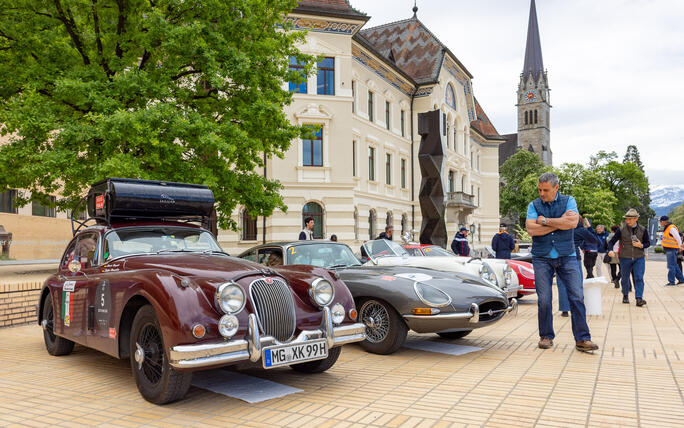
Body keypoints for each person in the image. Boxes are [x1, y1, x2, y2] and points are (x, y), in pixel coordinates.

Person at [526, 172, 598, 352]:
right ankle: (546, 336)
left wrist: (545, 221)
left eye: (546, 190)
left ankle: (582, 339)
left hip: (567, 256)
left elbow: (573, 223)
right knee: (544, 299)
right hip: (541, 257)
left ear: (556, 188)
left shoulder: (569, 201)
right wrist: (559, 223)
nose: (541, 193)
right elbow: (531, 229)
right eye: (539, 189)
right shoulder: (533, 205)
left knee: (577, 296)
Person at [557, 216, 599, 317]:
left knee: (562, 284)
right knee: (576, 285)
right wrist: (589, 227)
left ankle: (564, 309)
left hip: (559, 256)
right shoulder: (581, 230)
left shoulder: (561, 228)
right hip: (574, 258)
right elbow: (595, 240)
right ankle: (578, 309)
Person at [607, 209, 650, 306]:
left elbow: (648, 243)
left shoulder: (643, 230)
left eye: (630, 219)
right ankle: (625, 295)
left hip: (639, 257)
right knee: (625, 278)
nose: (628, 221)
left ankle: (639, 298)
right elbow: (611, 242)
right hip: (624, 258)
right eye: (627, 219)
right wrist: (610, 250)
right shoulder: (621, 230)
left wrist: (641, 245)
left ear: (636, 219)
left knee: (639, 277)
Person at [659, 215, 684, 285]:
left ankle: (671, 281)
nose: (660, 223)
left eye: (660, 222)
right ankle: (681, 279)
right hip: (670, 249)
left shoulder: (671, 228)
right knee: (674, 265)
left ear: (663, 222)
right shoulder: (667, 228)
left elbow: (678, 238)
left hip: (671, 249)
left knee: (671, 266)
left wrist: (680, 247)